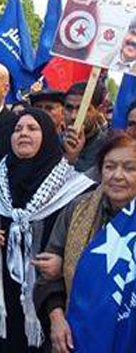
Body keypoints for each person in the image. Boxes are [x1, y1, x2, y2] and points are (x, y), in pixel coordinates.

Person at [0, 109, 94, 352]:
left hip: (50, 296)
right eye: (18, 129)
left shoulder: (74, 189)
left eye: (33, 128)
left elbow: (87, 243)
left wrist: (63, 263)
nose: (23, 134)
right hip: (3, 296)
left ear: (49, 137)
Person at [34, 133, 136, 353]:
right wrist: (57, 320)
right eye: (110, 167)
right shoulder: (78, 210)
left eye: (129, 168)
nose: (117, 175)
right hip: (79, 336)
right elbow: (47, 280)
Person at [62, 82, 108, 173]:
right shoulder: (53, 142)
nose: (73, 116)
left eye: (82, 109)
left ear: (99, 110)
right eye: (69, 108)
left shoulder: (108, 147)